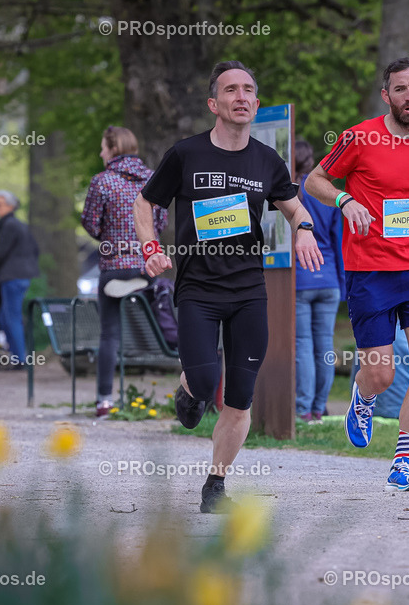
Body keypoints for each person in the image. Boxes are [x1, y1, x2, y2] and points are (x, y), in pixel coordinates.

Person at [134, 60, 322, 513]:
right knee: (204, 382)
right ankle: (189, 387)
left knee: (239, 397)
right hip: (198, 288)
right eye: (231, 90)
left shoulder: (267, 160)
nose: (241, 96)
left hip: (248, 291)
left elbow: (295, 208)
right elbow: (145, 202)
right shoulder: (187, 154)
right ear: (213, 104)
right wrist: (150, 248)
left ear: (256, 104)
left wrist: (304, 230)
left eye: (248, 90)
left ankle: (215, 486)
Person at [306, 57, 409, 492]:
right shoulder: (360, 137)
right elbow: (314, 181)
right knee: (382, 375)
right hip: (370, 270)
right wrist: (344, 201)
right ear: (386, 95)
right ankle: (363, 396)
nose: (408, 96)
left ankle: (402, 464)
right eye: (400, 89)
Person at [81, 125, 168, 417]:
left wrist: (106, 233)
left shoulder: (102, 181)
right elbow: (162, 222)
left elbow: (91, 224)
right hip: (147, 264)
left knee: (109, 334)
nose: (100, 153)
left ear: (114, 149)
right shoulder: (154, 178)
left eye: (103, 148)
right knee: (166, 315)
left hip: (114, 267)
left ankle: (104, 401)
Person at [293, 139, 344, 422]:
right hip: (329, 279)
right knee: (325, 345)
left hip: (301, 279)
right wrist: (342, 283)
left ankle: (302, 409)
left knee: (302, 344)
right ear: (311, 161)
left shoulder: (290, 192)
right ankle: (318, 407)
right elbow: (339, 242)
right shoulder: (327, 194)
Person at [0, 191, 39, 369]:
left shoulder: (9, 225)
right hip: (21, 276)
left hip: (13, 277)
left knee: (12, 317)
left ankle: (20, 359)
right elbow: (35, 249)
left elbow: (1, 253)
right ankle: (16, 355)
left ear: (10, 206)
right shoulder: (19, 225)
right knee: (5, 317)